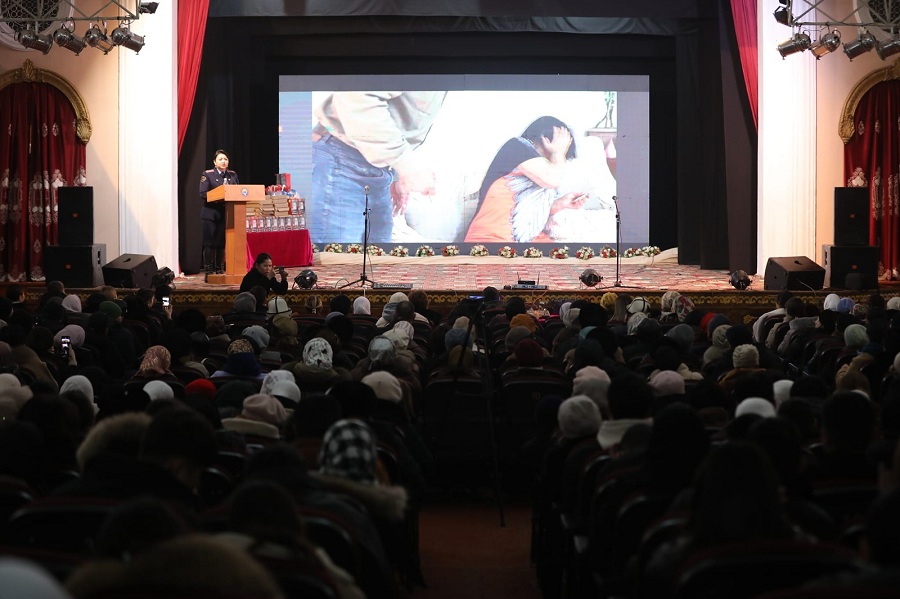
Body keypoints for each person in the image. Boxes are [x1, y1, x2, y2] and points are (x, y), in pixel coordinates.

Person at [309, 91, 446, 244]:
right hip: (343, 162)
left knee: (376, 260)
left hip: (374, 171)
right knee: (339, 261)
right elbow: (358, 97)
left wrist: (397, 174)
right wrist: (407, 166)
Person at [465, 116, 588, 243]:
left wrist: (560, 204)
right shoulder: (517, 146)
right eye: (556, 149)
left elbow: (526, 209)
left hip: (528, 242)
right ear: (544, 140)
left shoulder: (543, 172)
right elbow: (553, 180)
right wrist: (558, 153)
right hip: (490, 240)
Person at [199, 149, 239, 275]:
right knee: (209, 242)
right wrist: (219, 194)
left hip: (225, 213)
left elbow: (237, 191)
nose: (223, 161)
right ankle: (209, 269)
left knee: (221, 242)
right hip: (210, 213)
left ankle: (219, 268)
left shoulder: (232, 175)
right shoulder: (208, 174)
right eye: (220, 159)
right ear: (215, 162)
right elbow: (203, 193)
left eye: (225, 159)